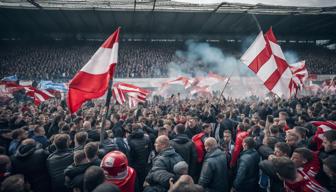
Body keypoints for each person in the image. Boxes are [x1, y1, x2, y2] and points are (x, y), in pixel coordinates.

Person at [127, 124, 151, 191]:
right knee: (142, 181)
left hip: (135, 166)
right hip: (144, 165)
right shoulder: (147, 138)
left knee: (135, 182)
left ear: (132, 130)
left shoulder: (130, 140)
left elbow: (130, 155)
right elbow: (150, 150)